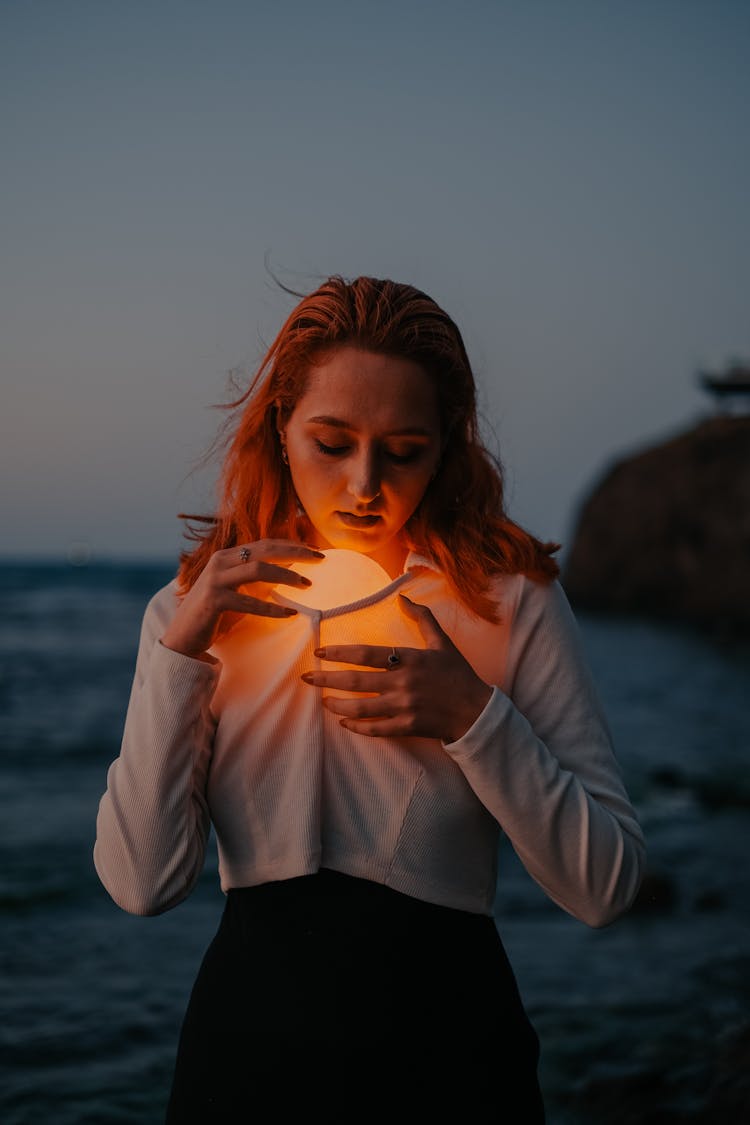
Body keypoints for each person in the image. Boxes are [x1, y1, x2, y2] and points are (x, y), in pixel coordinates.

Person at [94, 275, 645, 1122]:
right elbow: (142, 883)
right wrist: (181, 653)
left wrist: (472, 715)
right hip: (244, 1063)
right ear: (281, 426)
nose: (364, 483)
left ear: (445, 448)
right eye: (332, 441)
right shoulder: (192, 612)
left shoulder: (508, 597)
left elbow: (605, 885)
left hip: (456, 1059)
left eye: (403, 450)